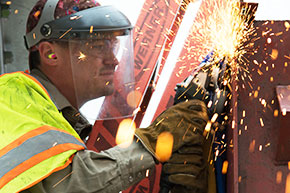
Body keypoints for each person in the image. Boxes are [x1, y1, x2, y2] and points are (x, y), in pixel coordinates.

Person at [0, 0, 210, 192]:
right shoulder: (8, 94)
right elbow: (65, 185)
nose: (114, 60)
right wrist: (150, 144)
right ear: (50, 54)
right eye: (98, 46)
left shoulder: (55, 120)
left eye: (113, 46)